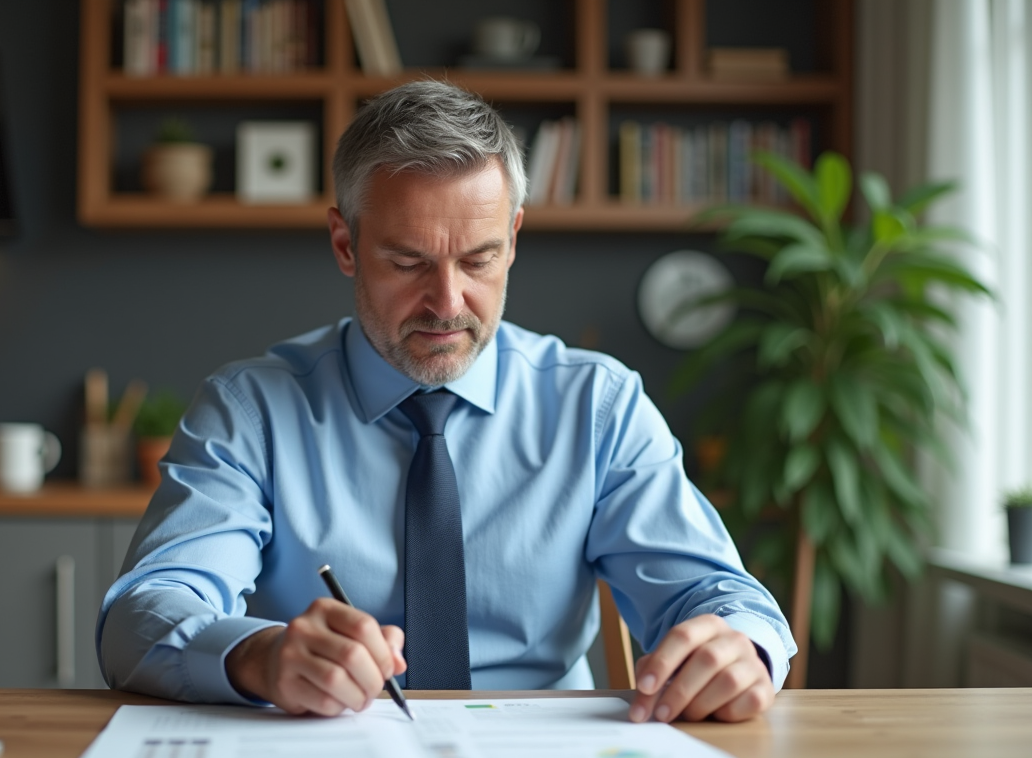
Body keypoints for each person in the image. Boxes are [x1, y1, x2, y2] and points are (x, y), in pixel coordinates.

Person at [97, 80, 797, 725]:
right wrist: (259, 656)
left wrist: (741, 650)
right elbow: (141, 615)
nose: (447, 302)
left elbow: (719, 597)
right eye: (408, 262)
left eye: (479, 259)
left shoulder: (598, 406)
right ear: (346, 243)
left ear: (514, 239)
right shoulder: (250, 411)